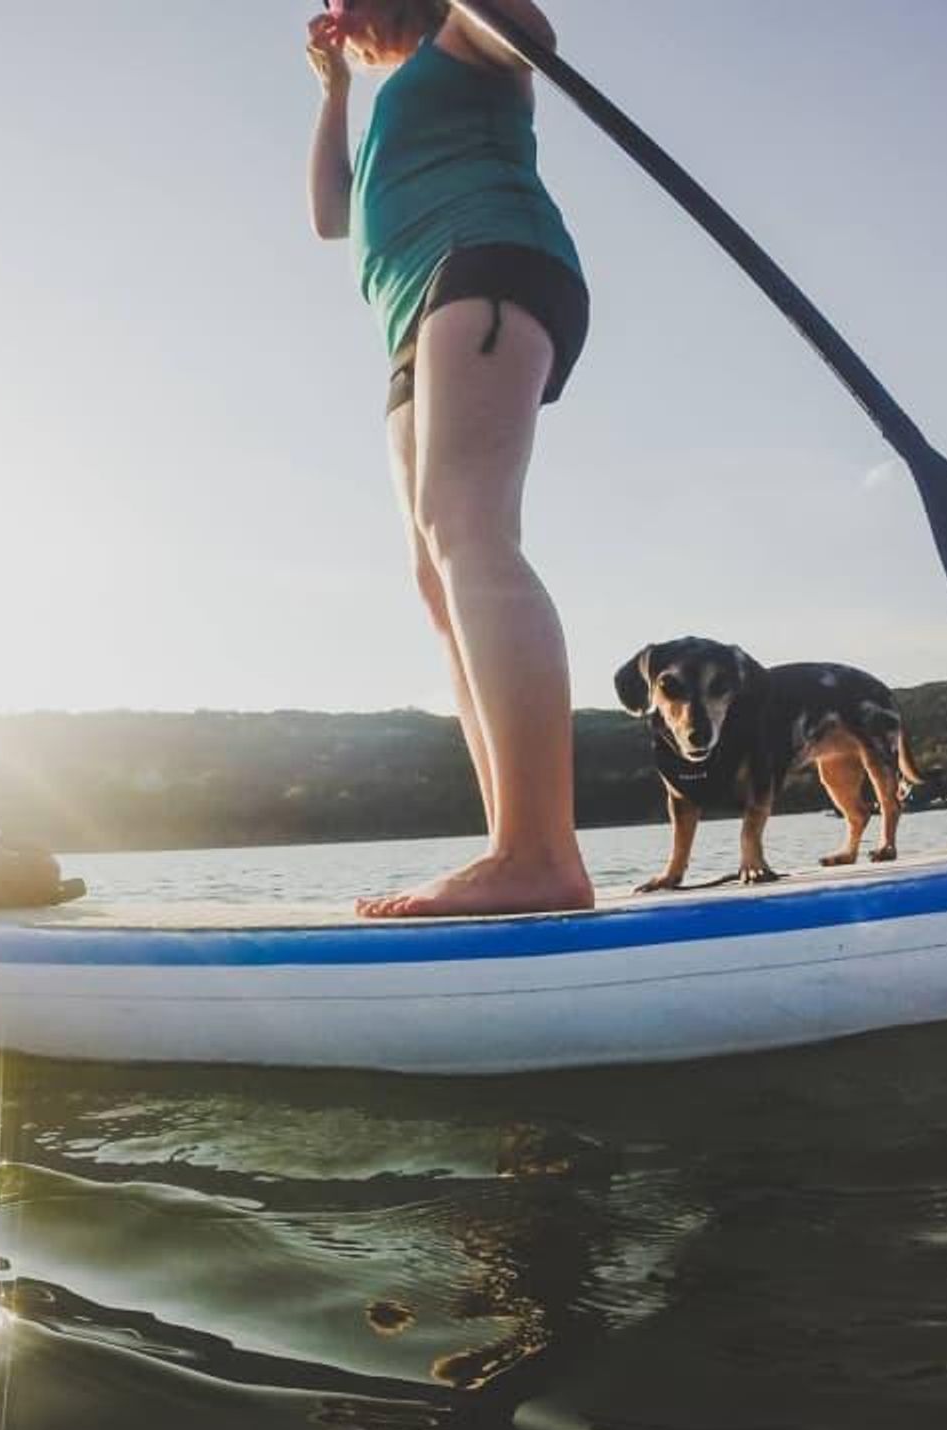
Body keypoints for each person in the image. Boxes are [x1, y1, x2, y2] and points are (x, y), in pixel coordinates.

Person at [306, 0, 595, 917]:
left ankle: (539, 855)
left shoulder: (465, 33)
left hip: (488, 261)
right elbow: (329, 216)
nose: (331, 11)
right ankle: (512, 849)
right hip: (412, 315)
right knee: (436, 574)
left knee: (469, 531)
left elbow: (536, 38)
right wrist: (337, 92)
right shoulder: (394, 89)